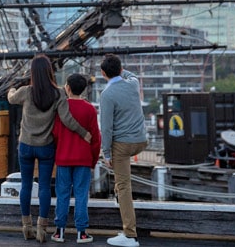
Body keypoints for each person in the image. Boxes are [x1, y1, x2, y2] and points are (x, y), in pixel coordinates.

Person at [8, 54, 92, 243]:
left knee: (26, 185)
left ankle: (26, 226)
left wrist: (11, 88)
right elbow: (67, 119)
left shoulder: (26, 91)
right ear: (49, 71)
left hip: (26, 146)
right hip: (46, 147)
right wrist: (83, 133)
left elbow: (11, 98)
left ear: (32, 73)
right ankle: (41, 229)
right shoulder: (58, 93)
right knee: (45, 187)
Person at [99, 54, 148, 247]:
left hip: (122, 144)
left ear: (103, 73)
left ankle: (130, 235)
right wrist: (119, 68)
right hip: (141, 141)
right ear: (121, 70)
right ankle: (118, 196)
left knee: (124, 186)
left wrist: (106, 153)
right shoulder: (133, 83)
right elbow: (130, 74)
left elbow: (107, 128)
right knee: (121, 183)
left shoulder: (107, 95)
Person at [51, 73, 101, 244]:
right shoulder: (90, 109)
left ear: (68, 88)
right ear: (84, 89)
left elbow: (55, 133)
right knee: (81, 195)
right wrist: (93, 161)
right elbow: (96, 138)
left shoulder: (62, 107)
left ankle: (60, 232)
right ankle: (81, 233)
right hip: (83, 159)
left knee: (62, 194)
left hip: (64, 157)